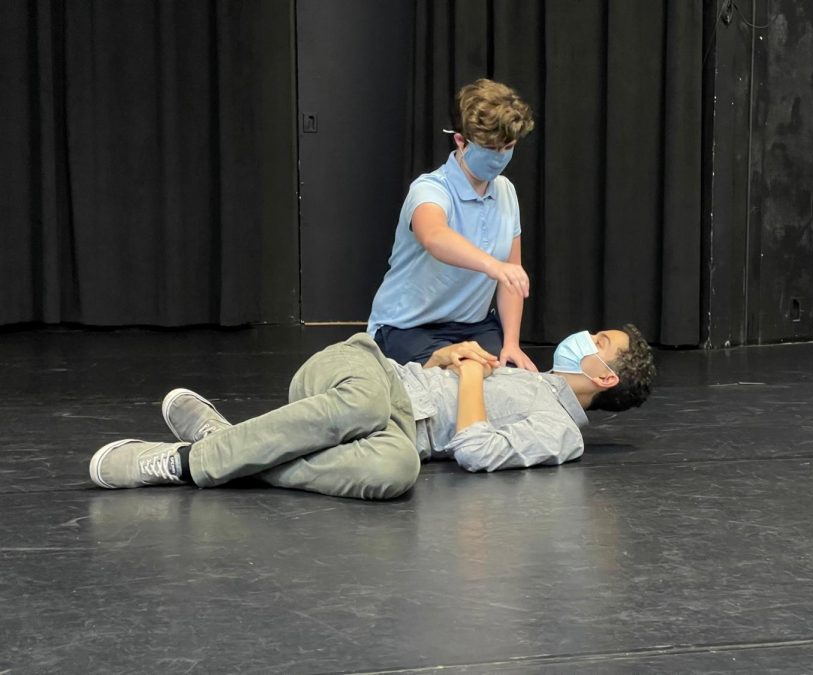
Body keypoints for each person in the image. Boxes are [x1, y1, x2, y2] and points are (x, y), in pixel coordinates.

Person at [89, 325, 655, 500]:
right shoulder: (523, 371)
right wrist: (442, 359)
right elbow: (412, 376)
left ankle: (225, 443)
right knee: (362, 399)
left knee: (397, 472)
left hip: (390, 433)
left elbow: (477, 451)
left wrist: (475, 376)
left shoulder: (560, 432)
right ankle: (185, 463)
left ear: (605, 377)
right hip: (363, 373)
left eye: (598, 338)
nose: (583, 334)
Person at [367, 78, 537, 369]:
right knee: (457, 383)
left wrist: (511, 344)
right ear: (461, 141)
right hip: (408, 328)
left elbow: (511, 278)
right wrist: (492, 265)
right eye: (490, 148)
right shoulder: (430, 189)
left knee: (515, 382)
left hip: (474, 327)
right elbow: (434, 236)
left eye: (507, 147)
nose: (500, 158)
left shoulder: (506, 191)